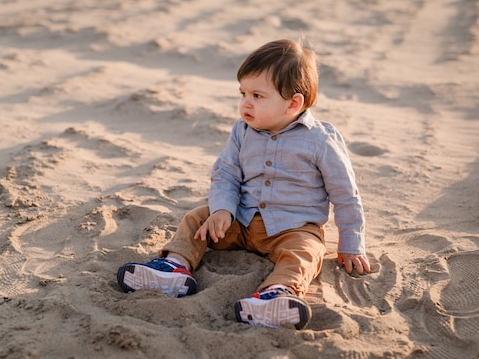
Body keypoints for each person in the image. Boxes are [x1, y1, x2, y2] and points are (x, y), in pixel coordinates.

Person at [117, 38, 371, 330]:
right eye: (243, 93)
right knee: (197, 217)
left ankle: (278, 293)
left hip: (293, 227)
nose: (245, 103)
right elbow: (226, 173)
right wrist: (222, 210)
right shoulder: (242, 131)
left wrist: (351, 243)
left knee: (306, 251)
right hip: (241, 220)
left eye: (258, 96)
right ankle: (175, 266)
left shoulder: (321, 140)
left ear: (294, 103)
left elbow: (345, 194)